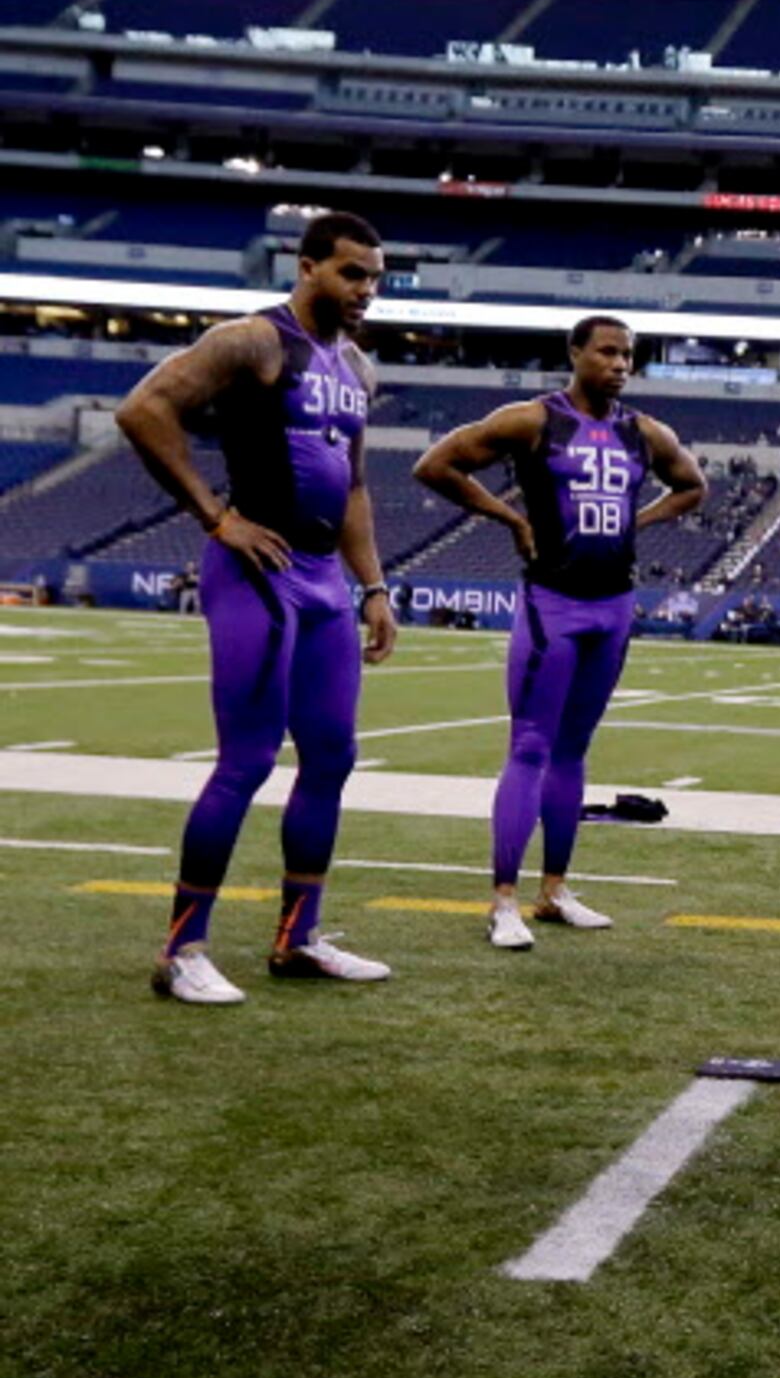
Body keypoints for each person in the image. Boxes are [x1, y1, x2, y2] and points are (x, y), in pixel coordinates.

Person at [113, 210, 399, 1004]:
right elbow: (142, 410)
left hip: (323, 582)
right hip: (259, 572)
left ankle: (297, 938)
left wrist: (373, 585)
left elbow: (356, 486)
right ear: (306, 266)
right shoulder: (253, 341)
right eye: (350, 273)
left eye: (374, 277)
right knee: (245, 760)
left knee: (333, 758)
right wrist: (216, 515)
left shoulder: (357, 369)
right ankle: (181, 950)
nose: (365, 291)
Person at [413, 314, 709, 948]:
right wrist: (510, 519)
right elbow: (436, 466)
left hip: (615, 606)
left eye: (629, 355)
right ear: (574, 353)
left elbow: (693, 486)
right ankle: (503, 901)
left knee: (574, 751)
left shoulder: (645, 432)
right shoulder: (533, 420)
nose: (620, 365)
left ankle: (554, 890)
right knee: (529, 747)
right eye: (607, 352)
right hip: (554, 603)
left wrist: (640, 521)